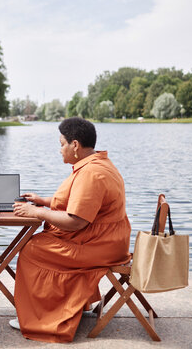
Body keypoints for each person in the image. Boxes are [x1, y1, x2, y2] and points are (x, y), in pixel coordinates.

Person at [11, 117, 132, 343]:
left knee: (31, 249)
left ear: (74, 145)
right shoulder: (99, 164)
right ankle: (74, 305)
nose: (60, 150)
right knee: (38, 243)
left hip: (99, 246)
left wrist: (36, 212)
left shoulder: (91, 174)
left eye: (61, 144)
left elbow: (76, 221)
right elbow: (80, 203)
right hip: (108, 240)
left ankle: (40, 316)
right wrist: (44, 201)